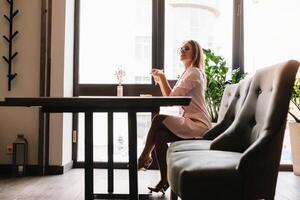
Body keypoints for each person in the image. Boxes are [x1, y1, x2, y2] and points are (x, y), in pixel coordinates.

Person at [138, 40, 212, 194]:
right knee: (160, 135)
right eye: (181, 48)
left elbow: (171, 97)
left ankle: (143, 157)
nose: (182, 50)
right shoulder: (188, 73)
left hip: (198, 124)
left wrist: (163, 77)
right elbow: (171, 98)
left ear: (195, 53)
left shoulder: (194, 72)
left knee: (158, 119)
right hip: (190, 122)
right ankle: (165, 180)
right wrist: (161, 80)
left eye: (186, 48)